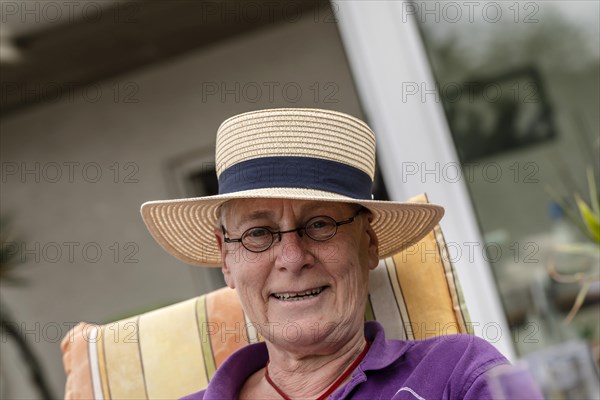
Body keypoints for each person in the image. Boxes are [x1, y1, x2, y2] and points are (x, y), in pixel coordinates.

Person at [141, 108, 542, 399]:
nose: (293, 258)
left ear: (369, 243)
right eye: (259, 233)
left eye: (320, 225)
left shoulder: (457, 372)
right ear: (225, 259)